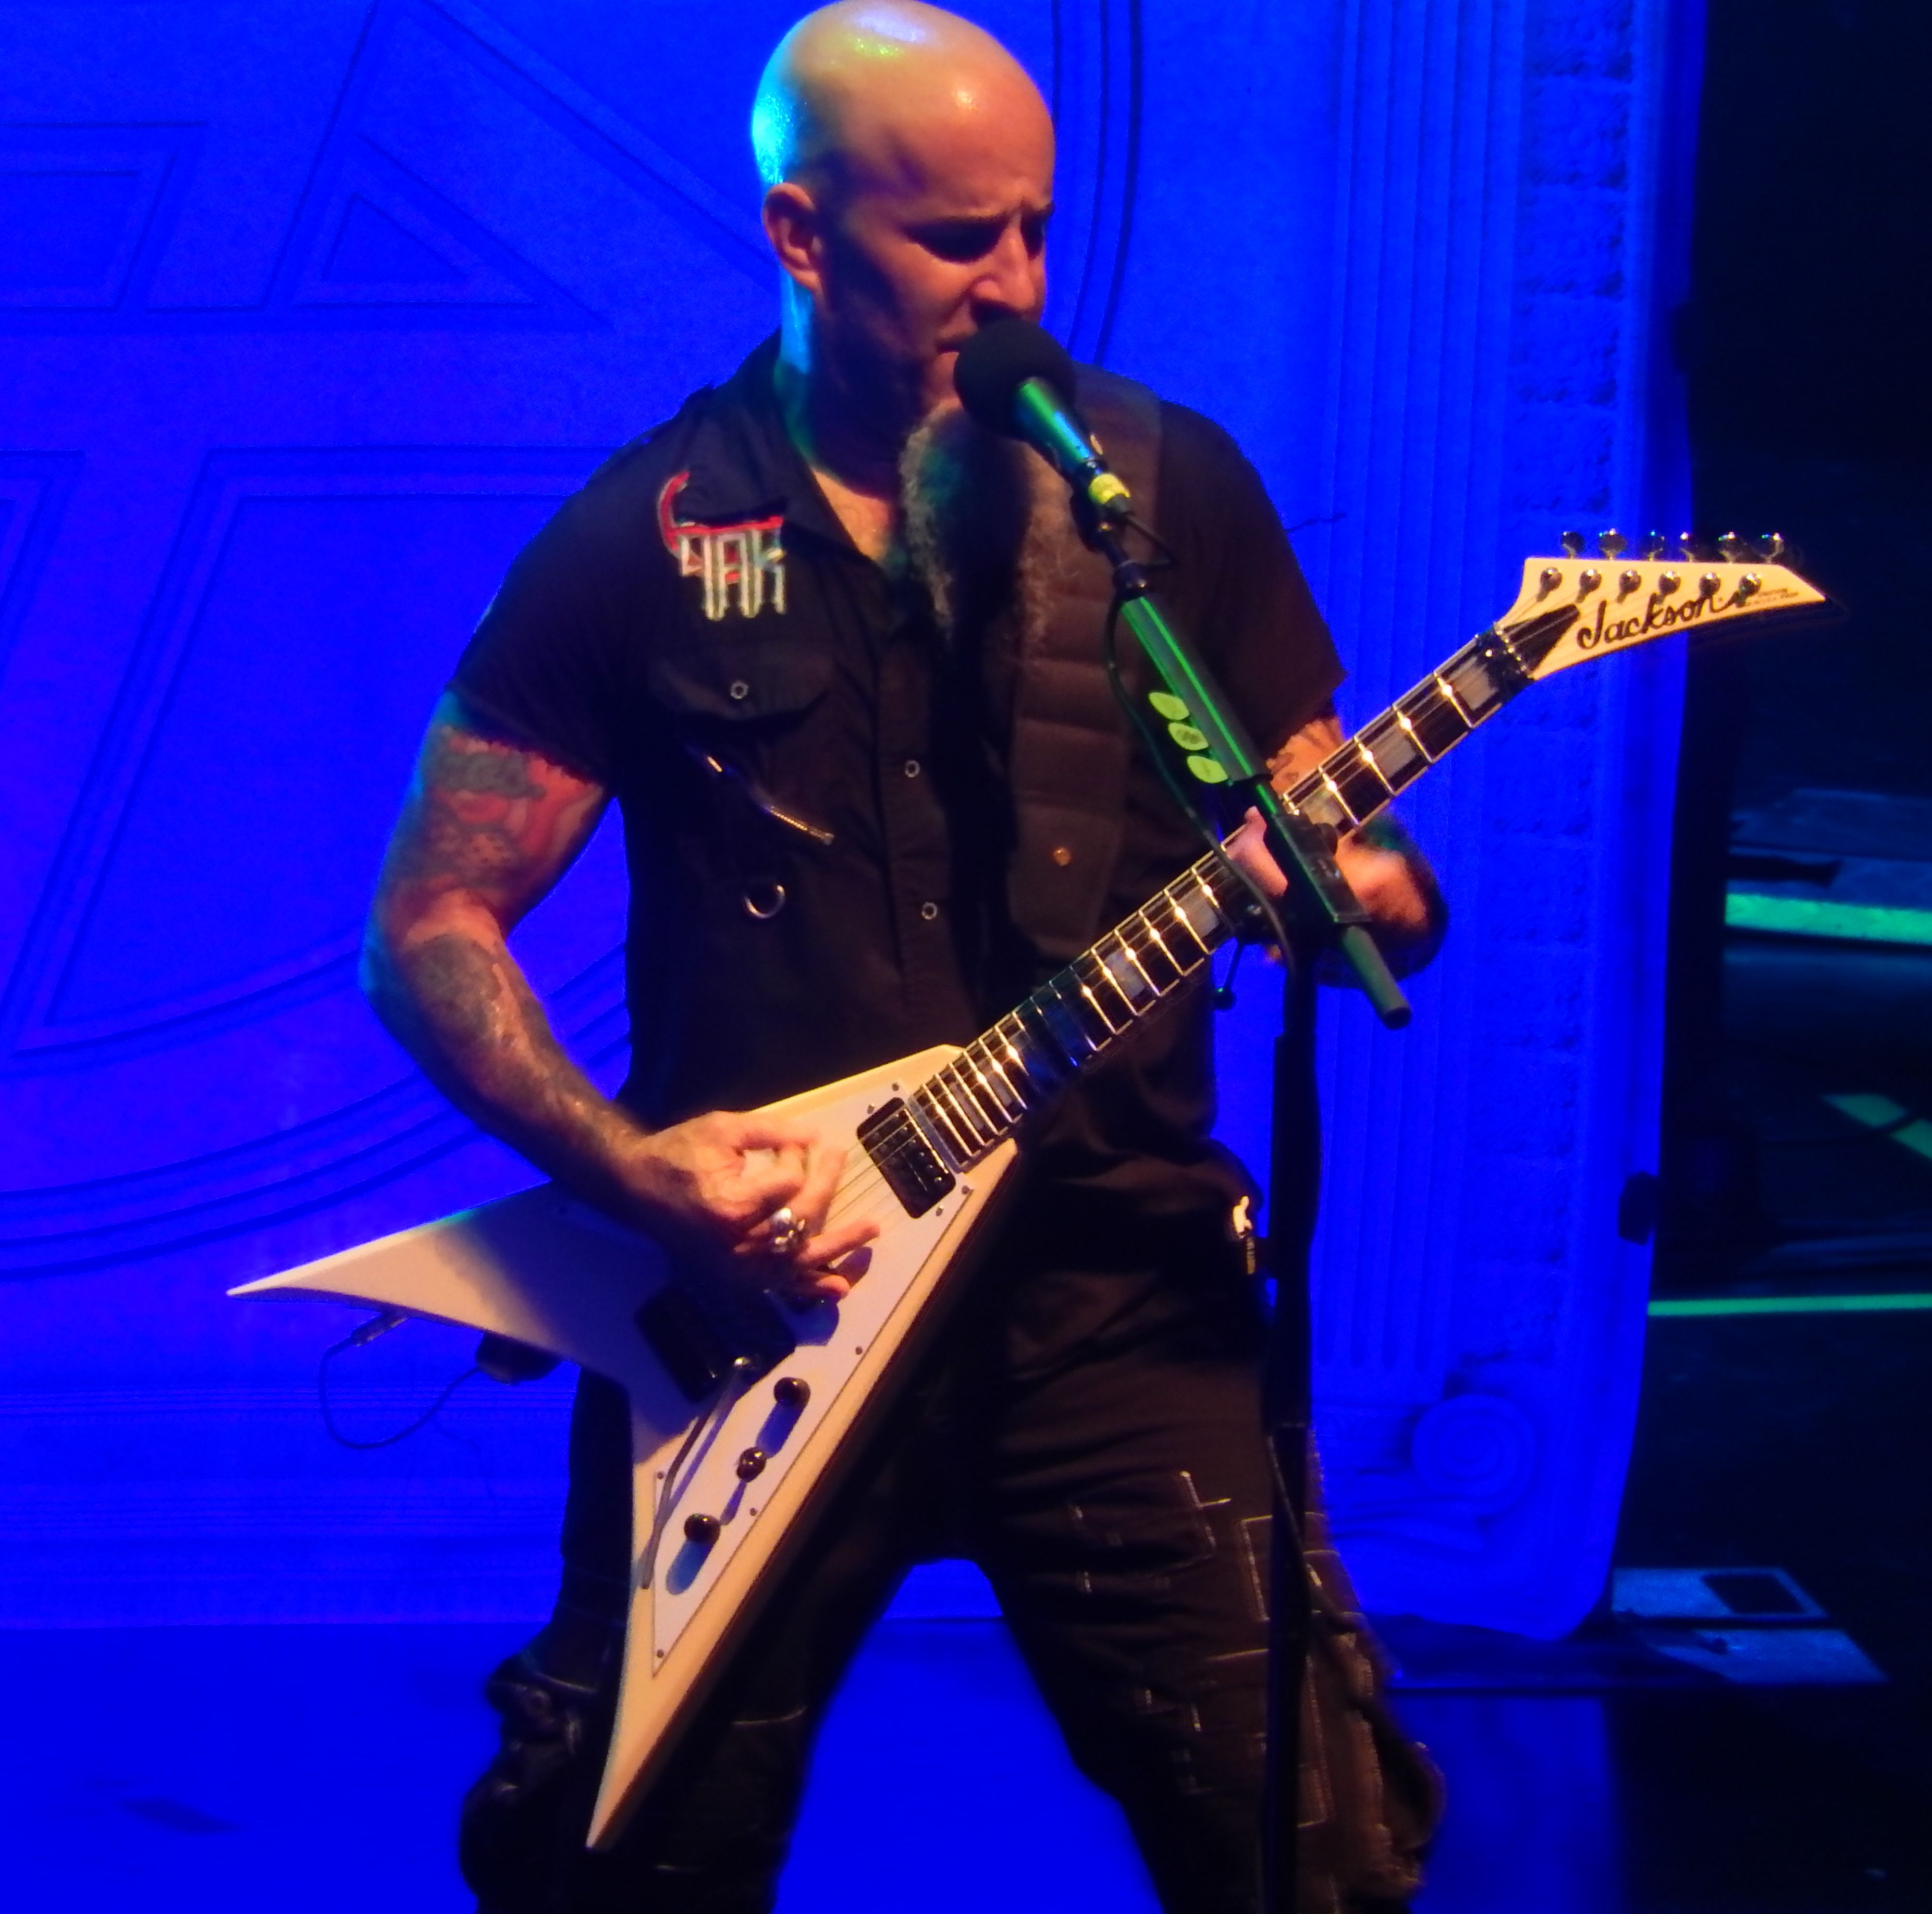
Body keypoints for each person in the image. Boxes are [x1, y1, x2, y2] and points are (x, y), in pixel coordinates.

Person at [361, 5, 1447, 1910]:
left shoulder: (1156, 496)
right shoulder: (646, 538)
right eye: (954, 239)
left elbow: (1338, 839)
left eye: (1033, 229)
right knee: (614, 1864)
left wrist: (1353, 885)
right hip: (764, 1312)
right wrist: (626, 1171)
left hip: (1111, 1304)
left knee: (1308, 1854)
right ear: (800, 234)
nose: (1010, 284)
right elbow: (427, 924)